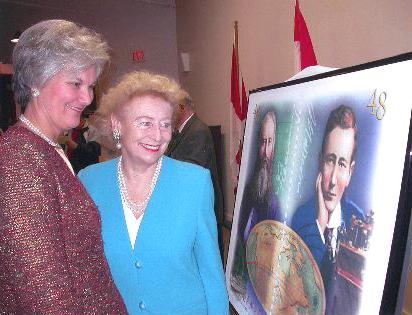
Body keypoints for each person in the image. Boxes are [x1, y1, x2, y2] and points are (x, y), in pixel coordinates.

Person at [0, 20, 126, 313]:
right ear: (35, 82)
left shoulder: (44, 148)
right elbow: (45, 295)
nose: (87, 98)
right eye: (76, 84)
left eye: (91, 85)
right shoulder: (21, 160)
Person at [78, 71, 228, 315]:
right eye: (145, 122)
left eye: (165, 124)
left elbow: (211, 274)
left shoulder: (195, 182)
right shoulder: (89, 181)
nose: (157, 135)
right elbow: (83, 268)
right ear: (117, 124)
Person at [291, 104, 365, 314]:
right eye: (330, 161)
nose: (332, 180)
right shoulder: (301, 219)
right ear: (320, 161)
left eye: (341, 165)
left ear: (350, 172)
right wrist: (320, 224)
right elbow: (302, 295)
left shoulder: (357, 220)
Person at [231, 111, 281, 315]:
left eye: (270, 142)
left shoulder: (275, 205)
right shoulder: (247, 190)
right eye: (262, 142)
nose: (265, 151)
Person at [165, 91, 224, 258]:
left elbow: (191, 167)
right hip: (191, 200)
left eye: (172, 109)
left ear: (182, 107)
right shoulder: (183, 130)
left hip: (202, 201)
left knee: (209, 252)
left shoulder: (197, 130)